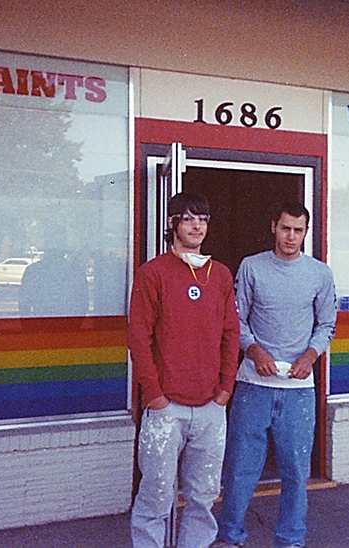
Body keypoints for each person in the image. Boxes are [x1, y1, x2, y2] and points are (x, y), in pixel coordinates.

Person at [214, 202, 337, 548]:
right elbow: (235, 320)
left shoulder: (320, 273)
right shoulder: (251, 267)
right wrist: (254, 351)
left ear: (306, 232)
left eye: (298, 230)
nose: (291, 236)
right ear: (273, 227)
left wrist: (310, 356)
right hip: (253, 385)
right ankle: (230, 536)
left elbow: (327, 324)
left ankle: (290, 539)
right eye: (285, 228)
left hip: (299, 389)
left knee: (296, 471)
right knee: (240, 468)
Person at [128, 192, 240, 548]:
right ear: (172, 223)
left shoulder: (220, 274)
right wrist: (154, 395)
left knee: (203, 498)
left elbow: (231, 334)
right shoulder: (153, 273)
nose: (197, 226)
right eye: (189, 218)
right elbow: (139, 338)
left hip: (210, 408)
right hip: (167, 409)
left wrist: (225, 389)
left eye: (203, 219)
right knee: (155, 498)